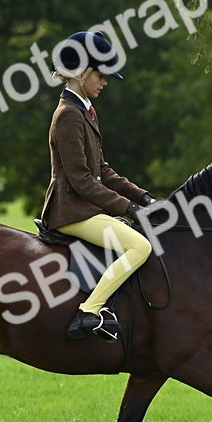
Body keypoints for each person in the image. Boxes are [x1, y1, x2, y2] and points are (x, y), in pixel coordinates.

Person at [39, 31, 156, 341]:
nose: (104, 82)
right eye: (101, 75)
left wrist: (144, 198)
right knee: (140, 246)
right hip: (71, 211)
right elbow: (81, 180)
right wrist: (128, 208)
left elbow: (102, 170)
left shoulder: (85, 111)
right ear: (81, 72)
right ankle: (89, 312)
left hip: (85, 208)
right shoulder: (68, 115)